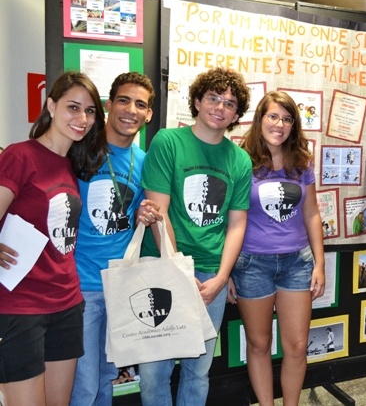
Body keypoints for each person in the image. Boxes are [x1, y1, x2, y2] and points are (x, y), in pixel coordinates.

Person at [137, 67, 252, 406]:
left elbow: (237, 224)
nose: (220, 107)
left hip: (210, 277)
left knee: (197, 370)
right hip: (161, 267)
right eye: (214, 98)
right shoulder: (168, 142)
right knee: (154, 373)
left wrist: (221, 277)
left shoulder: (240, 160)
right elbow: (159, 212)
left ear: (236, 114)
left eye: (230, 103)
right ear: (198, 101)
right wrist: (177, 273)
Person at [0, 71, 108, 406]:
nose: (82, 118)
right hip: (20, 308)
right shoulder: (20, 156)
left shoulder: (69, 165)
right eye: (73, 107)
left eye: (90, 111)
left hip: (67, 304)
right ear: (50, 105)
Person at [227, 91, 325, 406]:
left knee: (296, 346)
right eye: (273, 116)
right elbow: (229, 219)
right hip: (252, 264)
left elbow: (312, 214)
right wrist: (226, 270)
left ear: (293, 125)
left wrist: (320, 264)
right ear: (260, 119)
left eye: (286, 118)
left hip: (297, 263)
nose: (279, 124)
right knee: (258, 345)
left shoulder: (301, 161)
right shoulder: (241, 159)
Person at [70, 72, 163, 406]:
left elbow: (139, 213)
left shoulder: (146, 161)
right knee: (82, 383)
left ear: (149, 114)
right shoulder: (79, 149)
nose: (131, 110)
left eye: (141, 104)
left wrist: (144, 215)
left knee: (108, 378)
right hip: (80, 285)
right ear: (108, 105)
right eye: (123, 100)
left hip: (121, 286)